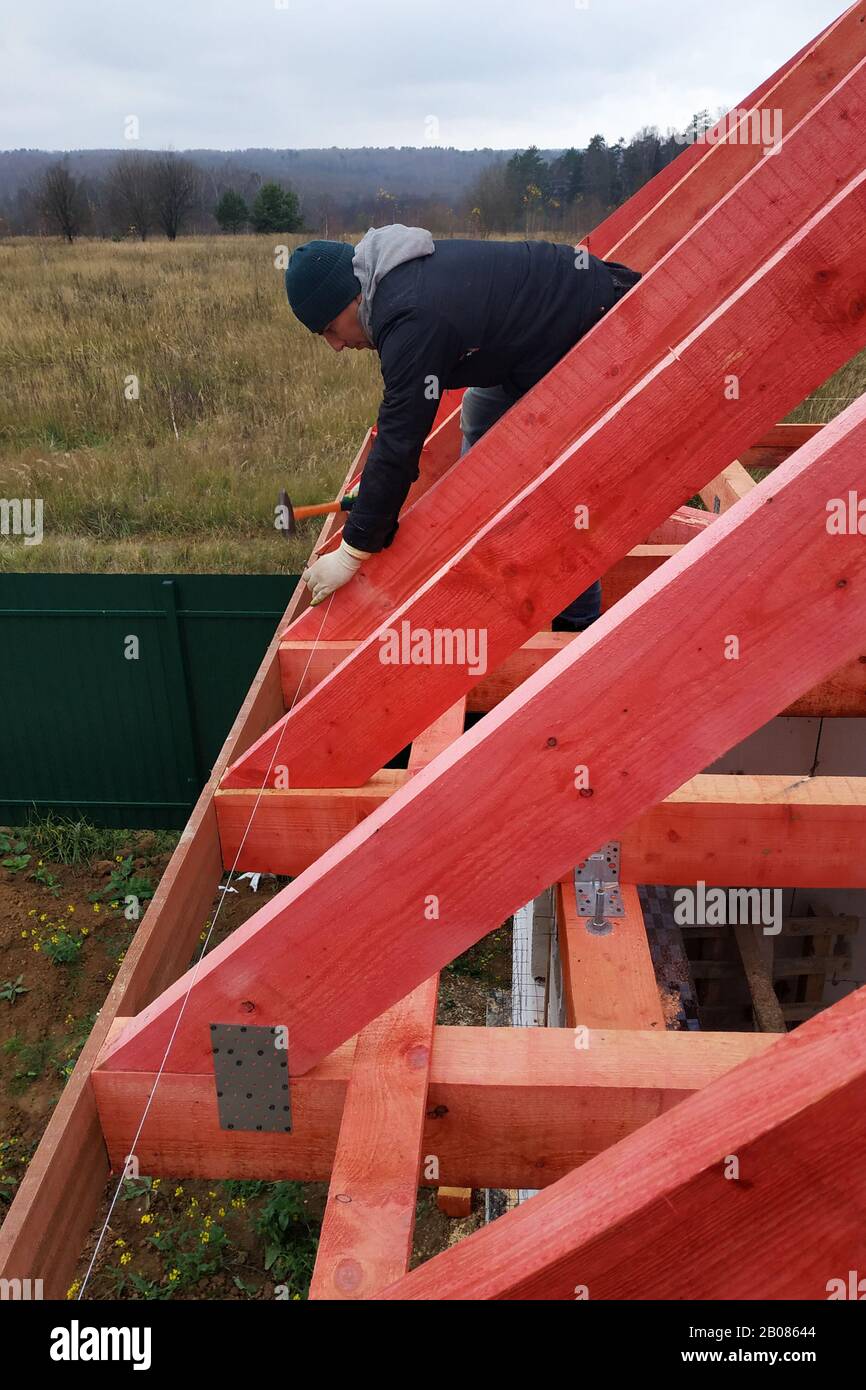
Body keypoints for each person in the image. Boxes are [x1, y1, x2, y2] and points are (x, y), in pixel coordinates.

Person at [285, 226, 640, 619]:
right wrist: (375, 493)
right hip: (540, 336)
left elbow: (400, 437)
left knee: (548, 497)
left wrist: (353, 551)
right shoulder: (391, 281)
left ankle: (577, 623)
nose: (335, 345)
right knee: (480, 411)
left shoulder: (410, 315)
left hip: (595, 328)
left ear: (350, 299)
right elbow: (403, 409)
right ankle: (479, 516)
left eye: (330, 330)